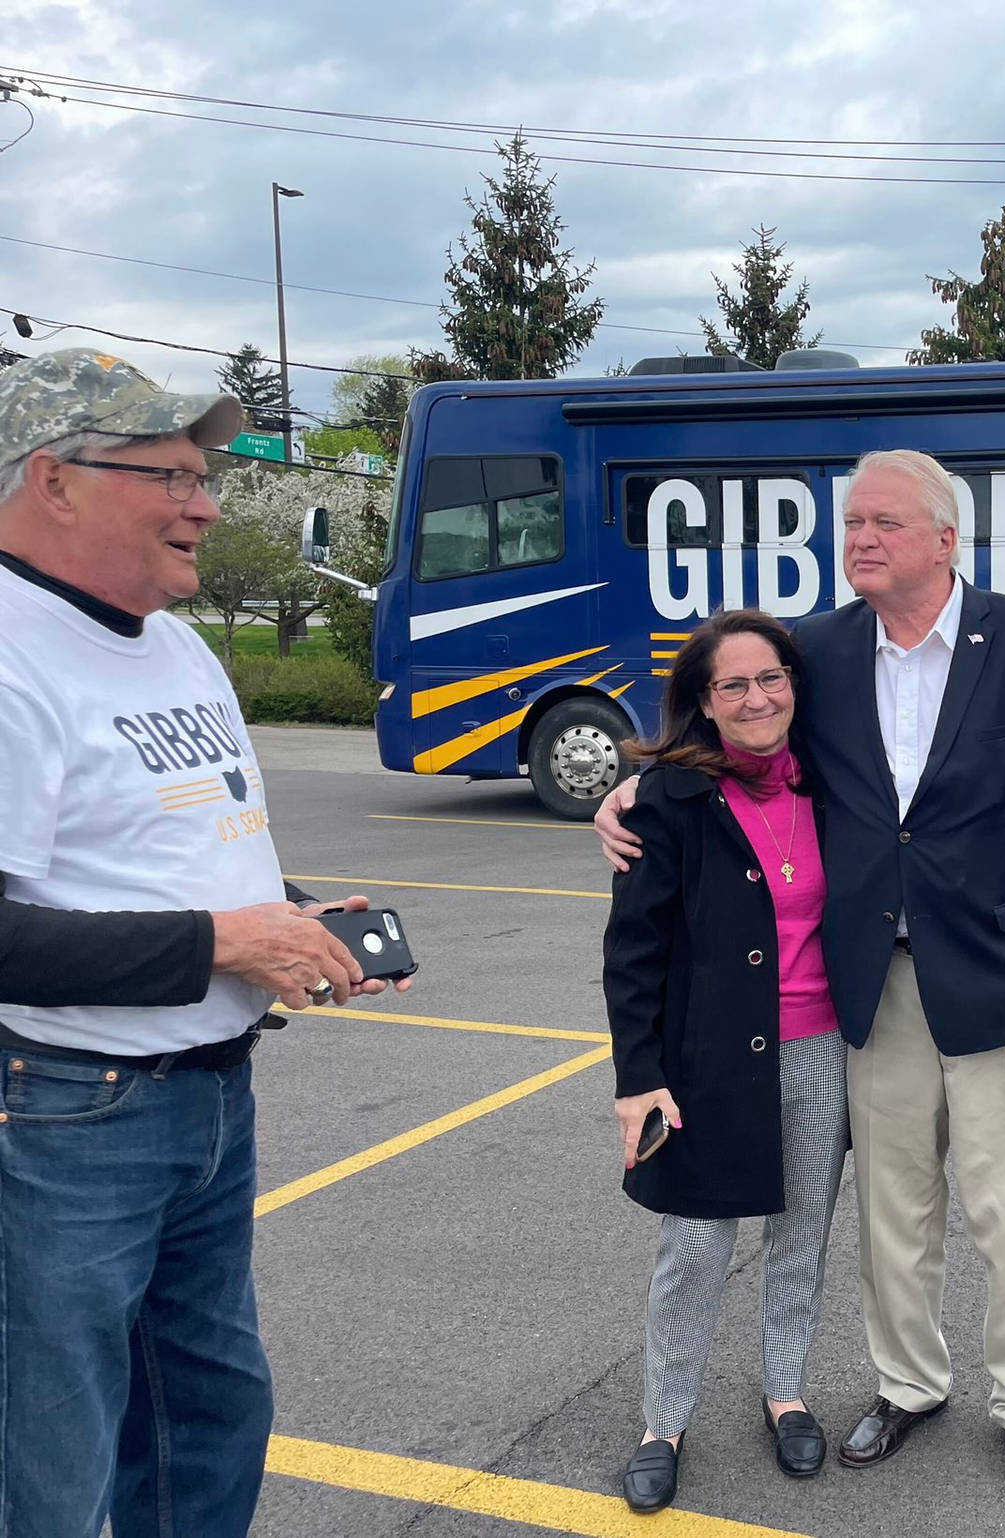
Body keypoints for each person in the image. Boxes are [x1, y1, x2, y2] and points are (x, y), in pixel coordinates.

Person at [599, 448, 1005, 1501]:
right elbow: (731, 732)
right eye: (851, 525)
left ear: (945, 538)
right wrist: (628, 791)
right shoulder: (822, 651)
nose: (860, 541)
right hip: (872, 983)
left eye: (884, 522)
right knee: (895, 1202)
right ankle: (909, 1382)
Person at [0, 349, 406, 1538]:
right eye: (171, 473)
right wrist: (224, 938)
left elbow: (190, 853)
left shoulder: (172, 643)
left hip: (208, 1102)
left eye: (208, 471)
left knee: (210, 1412)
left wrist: (291, 917)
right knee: (57, 1446)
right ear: (54, 480)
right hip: (70, 1117)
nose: (209, 503)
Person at [602, 608, 848, 1515]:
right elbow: (631, 952)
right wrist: (638, 1075)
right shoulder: (662, 801)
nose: (757, 698)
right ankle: (662, 1422)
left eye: (771, 678)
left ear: (795, 683)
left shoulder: (834, 781)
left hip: (820, 1046)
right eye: (733, 685)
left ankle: (786, 1391)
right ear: (702, 704)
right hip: (707, 1059)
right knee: (697, 1245)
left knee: (802, 1234)